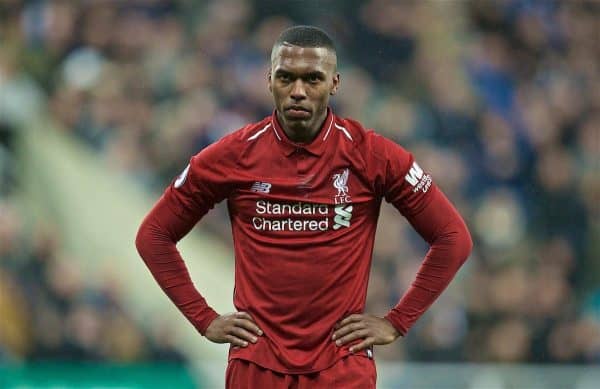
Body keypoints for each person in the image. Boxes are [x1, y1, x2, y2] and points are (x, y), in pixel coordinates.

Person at [136, 25, 472, 388]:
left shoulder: (372, 156)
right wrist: (204, 318)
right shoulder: (231, 155)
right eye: (286, 78)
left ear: (335, 83)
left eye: (313, 79)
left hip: (342, 366)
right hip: (257, 365)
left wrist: (397, 321)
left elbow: (453, 237)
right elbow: (153, 235)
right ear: (269, 80)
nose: (298, 92)